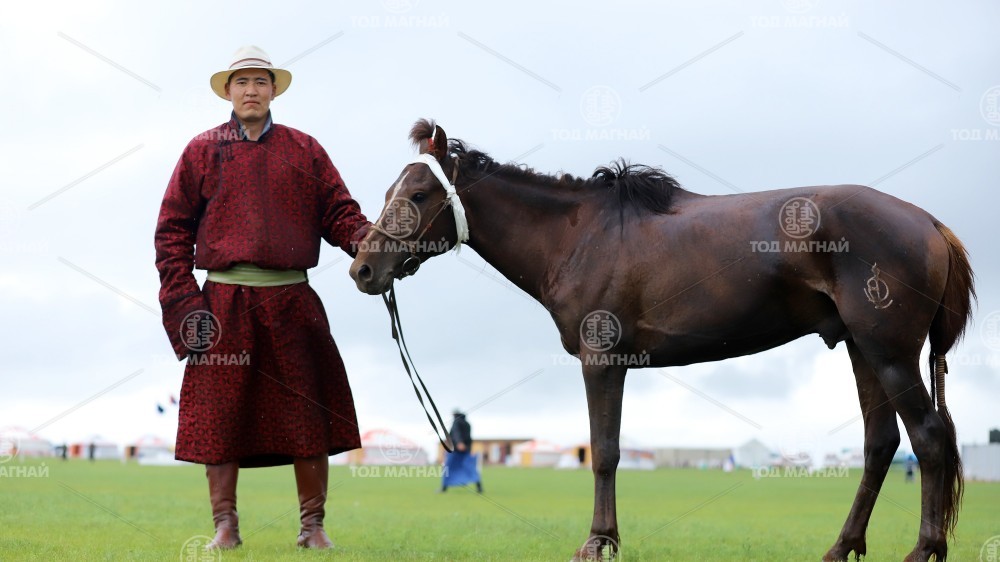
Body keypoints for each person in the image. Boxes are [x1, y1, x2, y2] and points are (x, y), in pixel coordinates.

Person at [154, 46, 371, 550]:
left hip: (293, 299)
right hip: (222, 304)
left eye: (260, 81)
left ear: (274, 89)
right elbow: (171, 233)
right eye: (242, 81)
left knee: (307, 412)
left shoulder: (305, 149)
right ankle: (225, 528)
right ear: (228, 91)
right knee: (219, 415)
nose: (251, 90)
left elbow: (340, 212)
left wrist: (372, 244)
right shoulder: (201, 150)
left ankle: (312, 527)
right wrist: (187, 307)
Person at [440, 410, 483, 493]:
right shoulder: (467, 424)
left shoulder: (456, 422)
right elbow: (469, 438)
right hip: (466, 450)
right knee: (470, 468)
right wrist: (469, 448)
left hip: (456, 450)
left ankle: (444, 488)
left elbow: (456, 433)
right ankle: (479, 487)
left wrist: (459, 442)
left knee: (448, 468)